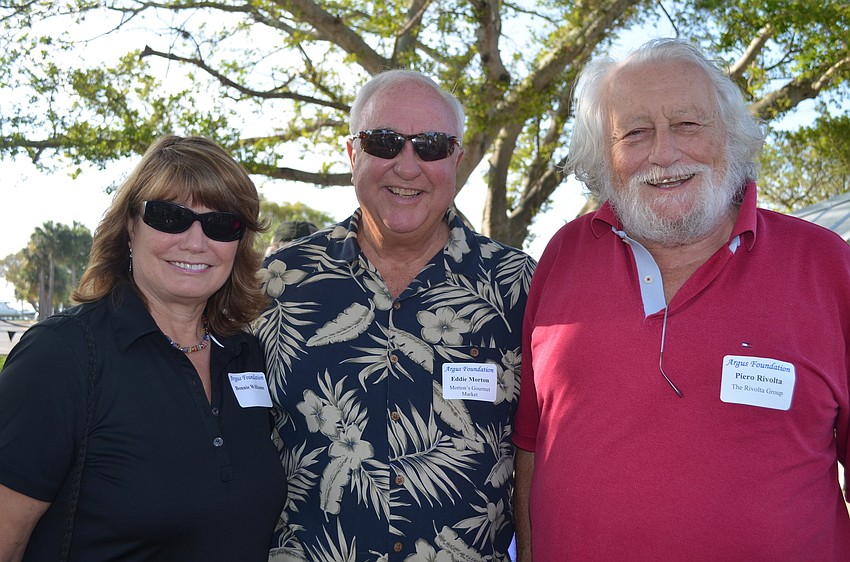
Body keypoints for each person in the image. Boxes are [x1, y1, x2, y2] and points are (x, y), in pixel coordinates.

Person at [513, 37, 850, 561]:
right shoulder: (565, 255)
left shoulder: (828, 266)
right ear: (605, 157)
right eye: (635, 133)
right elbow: (532, 443)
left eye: (688, 125)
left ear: (731, 138)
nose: (664, 153)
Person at [256, 69, 536, 560]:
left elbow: (542, 460)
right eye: (384, 142)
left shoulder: (519, 286)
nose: (407, 166)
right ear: (352, 154)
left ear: (457, 159)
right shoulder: (275, 284)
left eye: (430, 145)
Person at [0, 135, 287, 561]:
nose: (195, 242)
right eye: (170, 216)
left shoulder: (247, 355)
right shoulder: (62, 356)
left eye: (221, 224)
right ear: (130, 226)